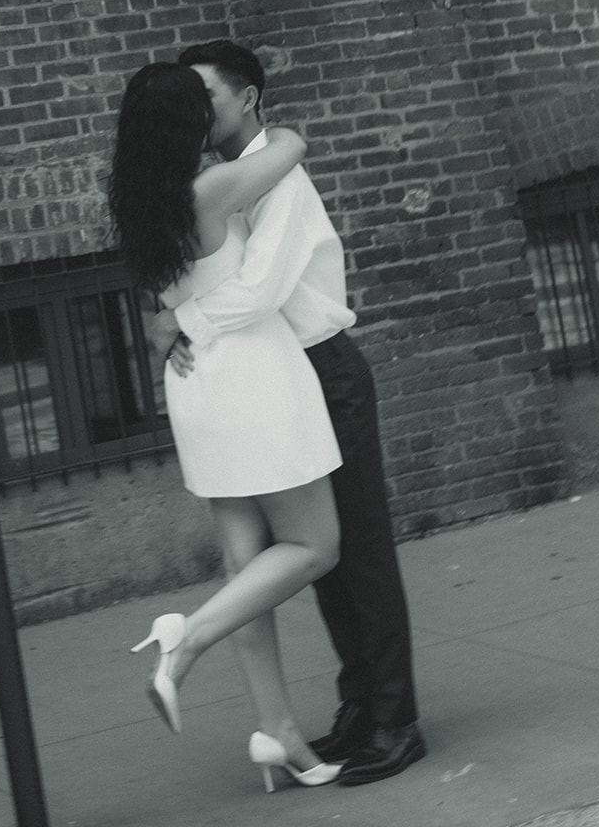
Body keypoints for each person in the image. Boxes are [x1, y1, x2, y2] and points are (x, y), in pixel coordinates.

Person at [159, 39, 427, 788]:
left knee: (359, 551)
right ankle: (360, 704)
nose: (196, 112)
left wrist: (188, 328)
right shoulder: (231, 179)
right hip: (276, 376)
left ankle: (395, 722)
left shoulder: (284, 180)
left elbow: (264, 289)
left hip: (323, 369)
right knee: (320, 561)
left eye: (205, 96)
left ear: (246, 98)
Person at [109, 62, 345, 794]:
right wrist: (251, 115)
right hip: (250, 376)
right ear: (190, 126)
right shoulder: (209, 189)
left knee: (250, 570)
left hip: (195, 385)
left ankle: (277, 730)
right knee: (316, 546)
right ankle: (185, 644)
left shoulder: (135, 202)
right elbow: (291, 147)